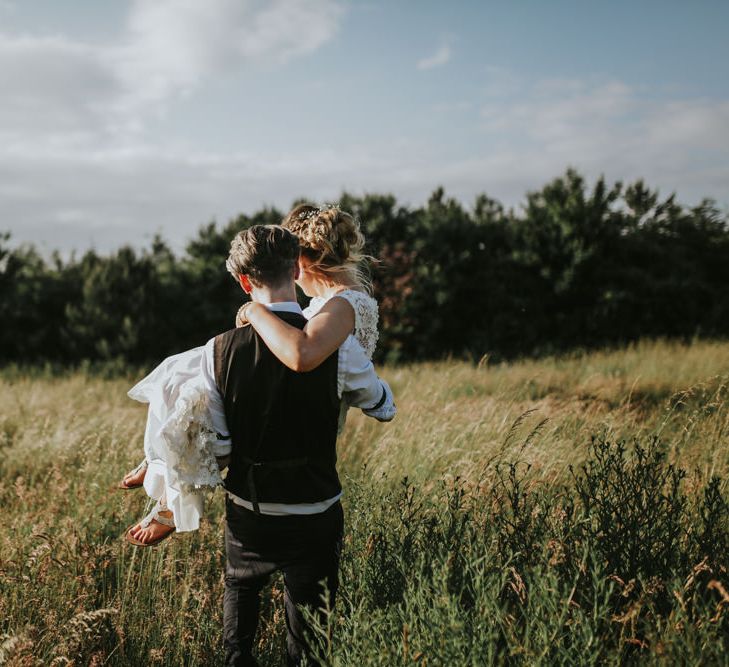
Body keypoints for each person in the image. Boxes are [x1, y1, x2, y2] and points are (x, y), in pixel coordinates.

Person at [120, 204, 383, 543]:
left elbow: (301, 353)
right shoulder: (338, 302)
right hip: (306, 395)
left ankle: (168, 483)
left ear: (300, 265)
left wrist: (254, 311)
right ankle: (160, 466)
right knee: (191, 373)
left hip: (305, 400)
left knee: (205, 387)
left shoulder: (341, 305)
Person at [218, 225, 396, 665]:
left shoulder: (217, 351)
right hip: (315, 511)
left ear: (245, 283)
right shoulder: (341, 349)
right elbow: (383, 407)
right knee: (311, 644)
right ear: (294, 267)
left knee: (238, 630)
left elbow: (212, 441)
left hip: (249, 512)